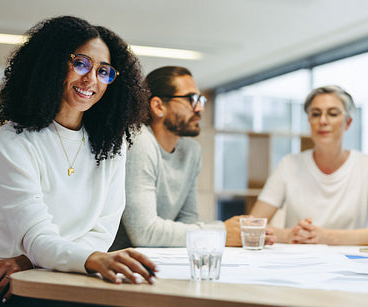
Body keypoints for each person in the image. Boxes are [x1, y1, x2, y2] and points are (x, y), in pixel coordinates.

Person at [0, 16, 157, 306]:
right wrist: (49, 257)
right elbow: (36, 236)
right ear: (52, 65)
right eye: (80, 64)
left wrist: (38, 259)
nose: (90, 79)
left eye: (104, 71)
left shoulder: (111, 145)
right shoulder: (14, 140)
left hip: (60, 271)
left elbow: (102, 230)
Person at [111, 66, 276, 250]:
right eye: (190, 99)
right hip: (118, 264)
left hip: (159, 259)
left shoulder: (191, 151)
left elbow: (188, 220)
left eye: (200, 100)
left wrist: (228, 231)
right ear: (158, 106)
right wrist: (221, 232)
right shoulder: (139, 141)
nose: (199, 108)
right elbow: (145, 233)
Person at [251, 85, 368, 245]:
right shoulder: (289, 164)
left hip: (351, 265)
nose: (322, 121)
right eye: (315, 114)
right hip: (296, 261)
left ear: (348, 122)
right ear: (309, 121)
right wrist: (289, 236)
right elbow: (252, 224)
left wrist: (326, 237)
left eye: (333, 114)